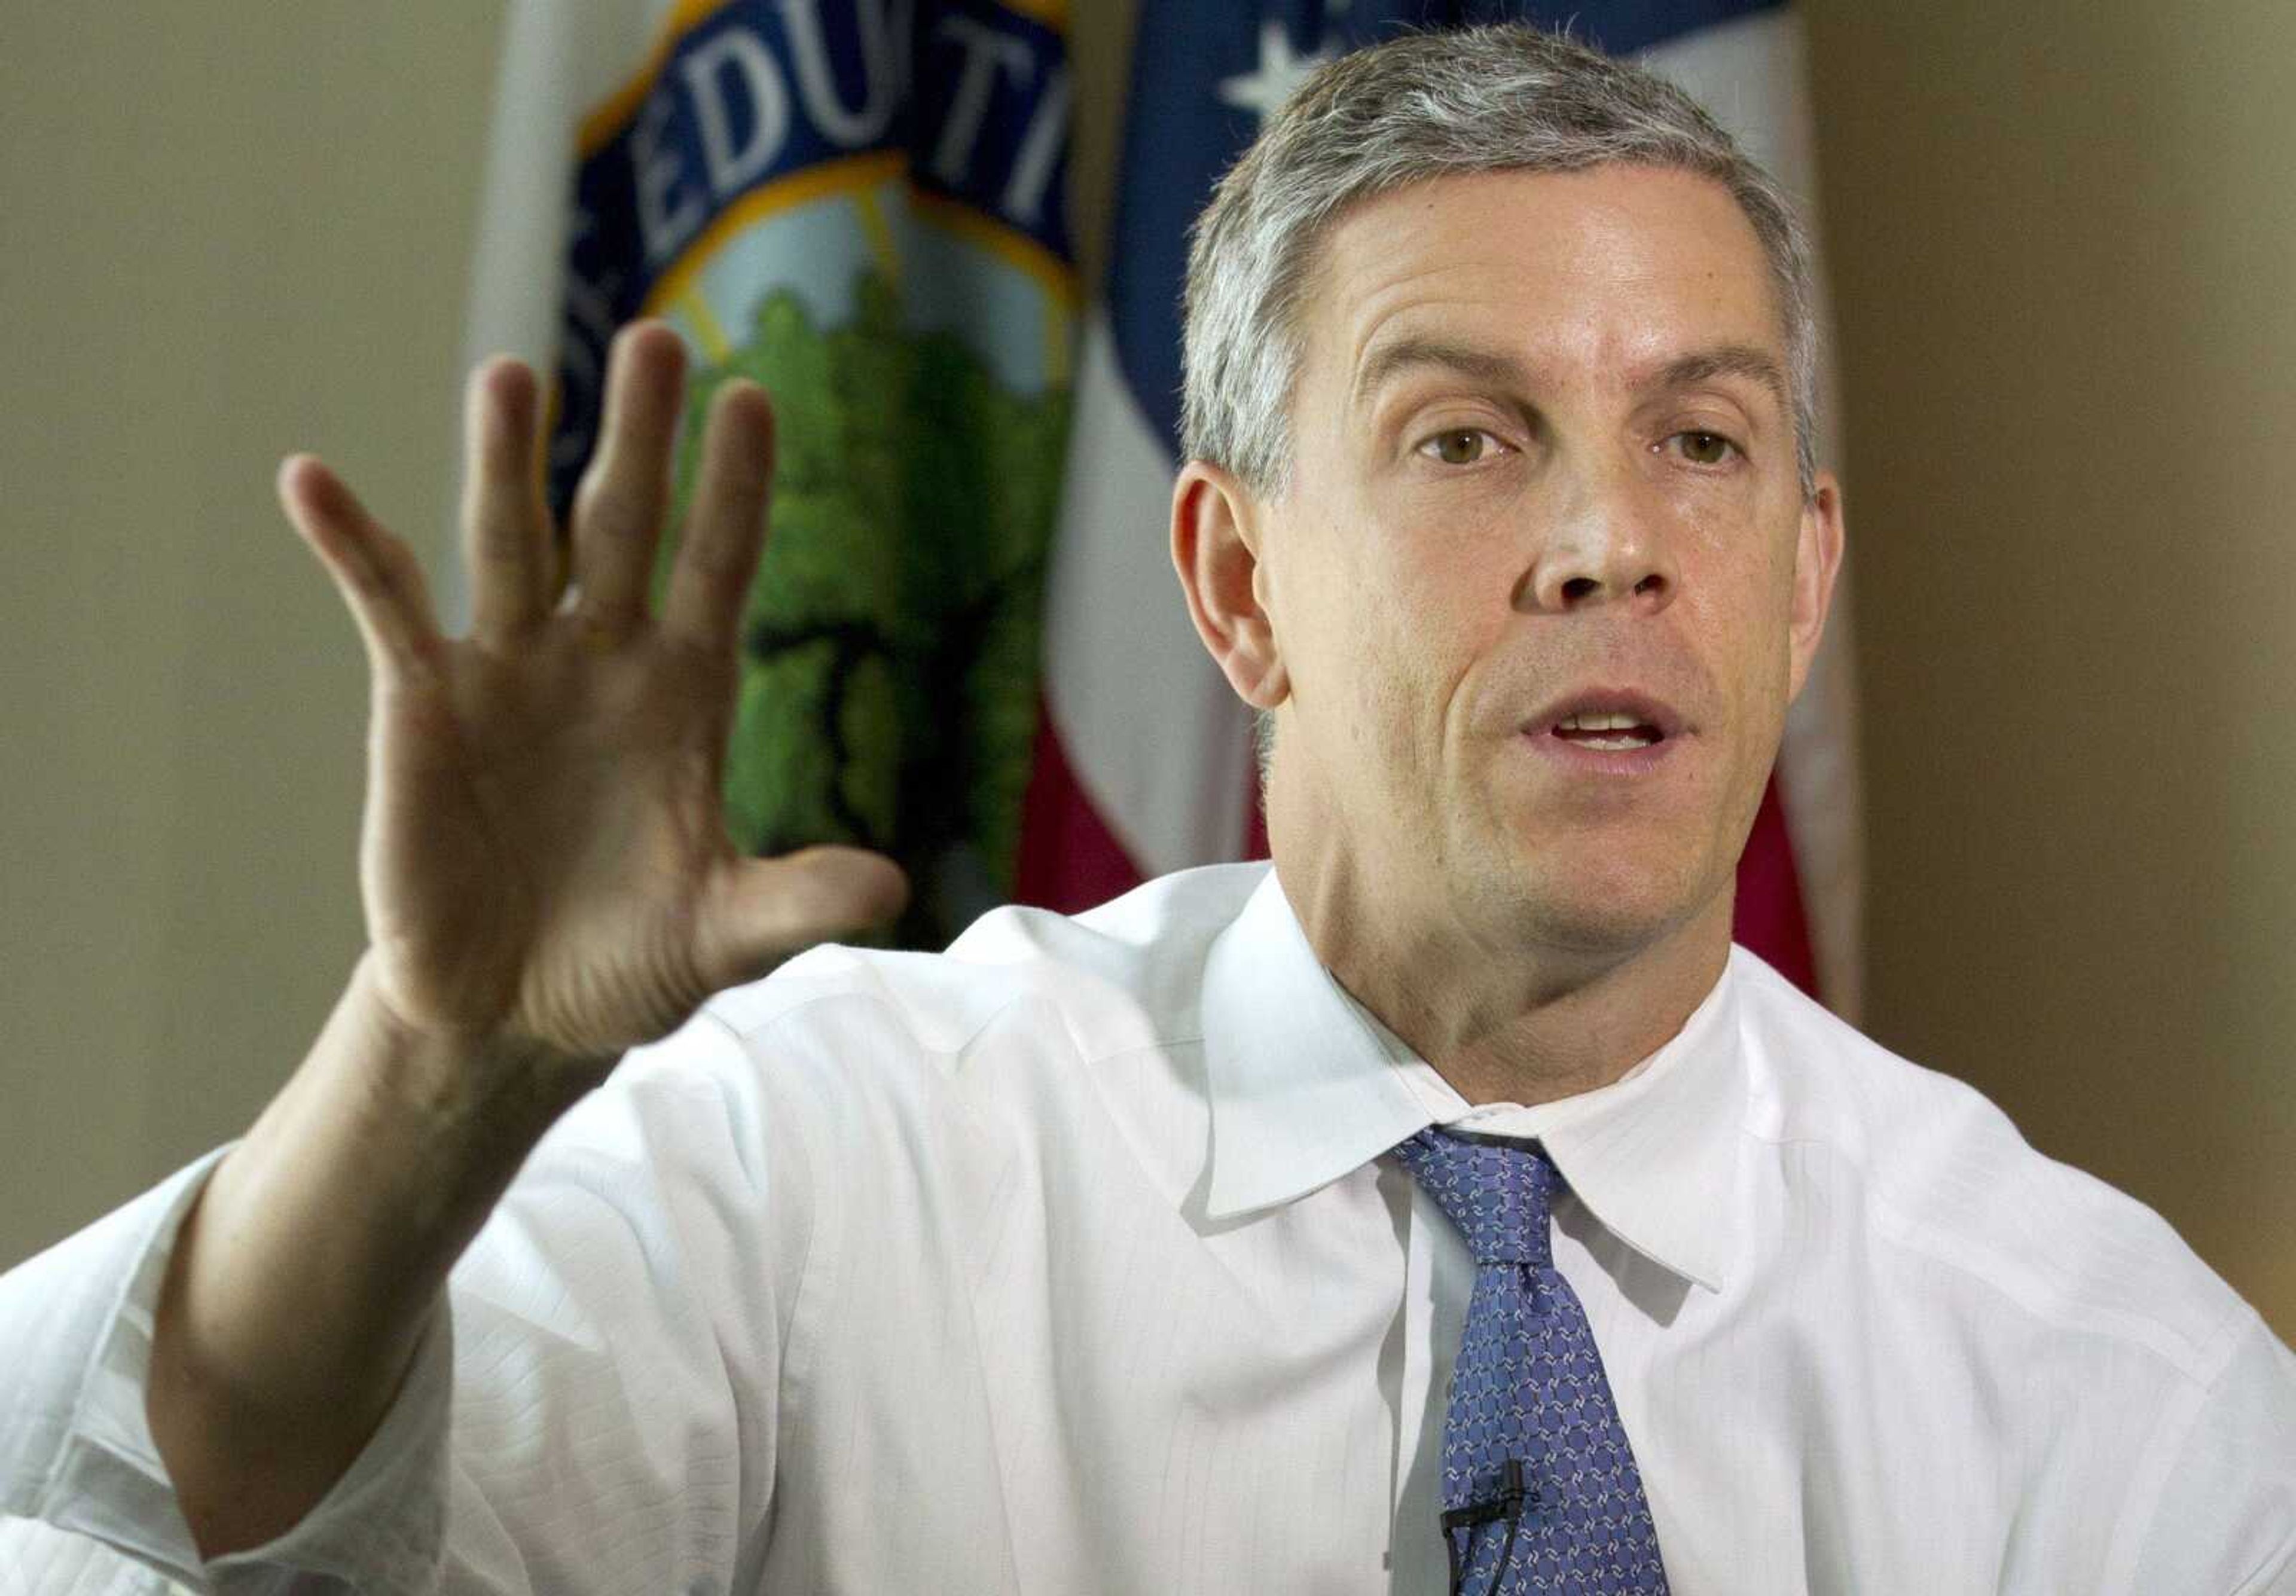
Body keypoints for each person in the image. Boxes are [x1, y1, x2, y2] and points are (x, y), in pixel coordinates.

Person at [3, 22, 2291, 1594]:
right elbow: (164, 1524)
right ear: (1232, 579)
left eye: (1701, 439)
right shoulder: (842, 1149)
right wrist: (433, 1070)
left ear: (1800, 584)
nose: (1612, 543)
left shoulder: (2106, 1385)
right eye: (1467, 437)